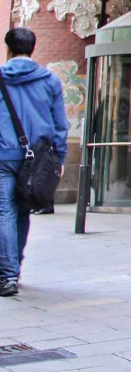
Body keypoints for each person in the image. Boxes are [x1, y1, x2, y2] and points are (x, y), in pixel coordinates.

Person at [0, 27, 68, 298]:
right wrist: (59, 158)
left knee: (4, 210)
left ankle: (6, 276)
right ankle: (13, 269)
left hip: (3, 156)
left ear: (8, 49)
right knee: (22, 211)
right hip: (37, 159)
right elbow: (60, 124)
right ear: (32, 49)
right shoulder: (49, 80)